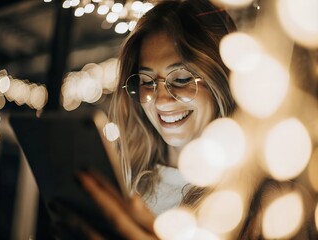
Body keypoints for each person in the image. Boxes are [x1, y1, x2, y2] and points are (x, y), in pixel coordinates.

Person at [51, 0, 317, 239]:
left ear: (221, 81)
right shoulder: (123, 187)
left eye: (181, 79)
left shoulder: (266, 205)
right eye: (146, 82)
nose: (161, 99)